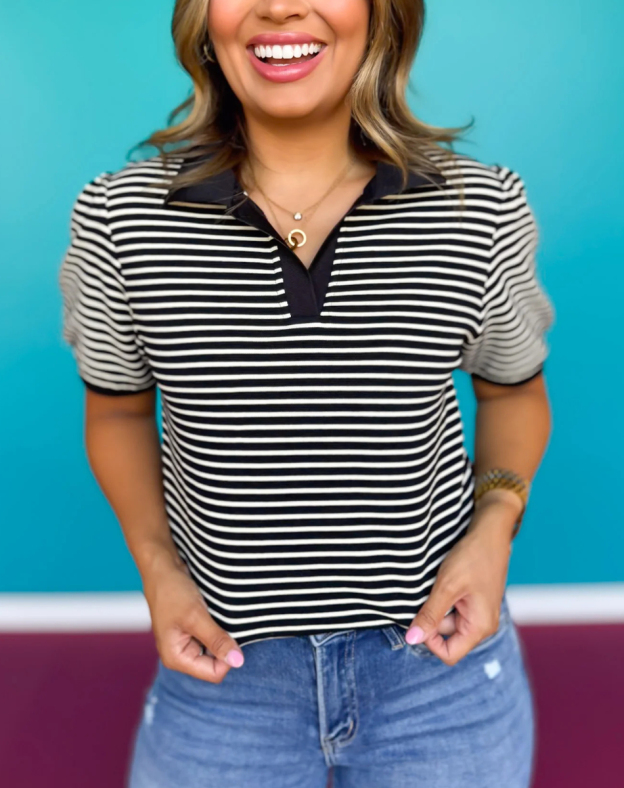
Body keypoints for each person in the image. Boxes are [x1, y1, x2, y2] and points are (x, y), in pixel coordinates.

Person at [58, 1, 555, 786]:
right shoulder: (120, 218)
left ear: (380, 14)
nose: (280, 6)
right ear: (203, 18)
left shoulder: (478, 208)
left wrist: (494, 528)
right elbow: (116, 410)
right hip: (224, 675)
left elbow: (513, 395)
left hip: (439, 674)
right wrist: (157, 568)